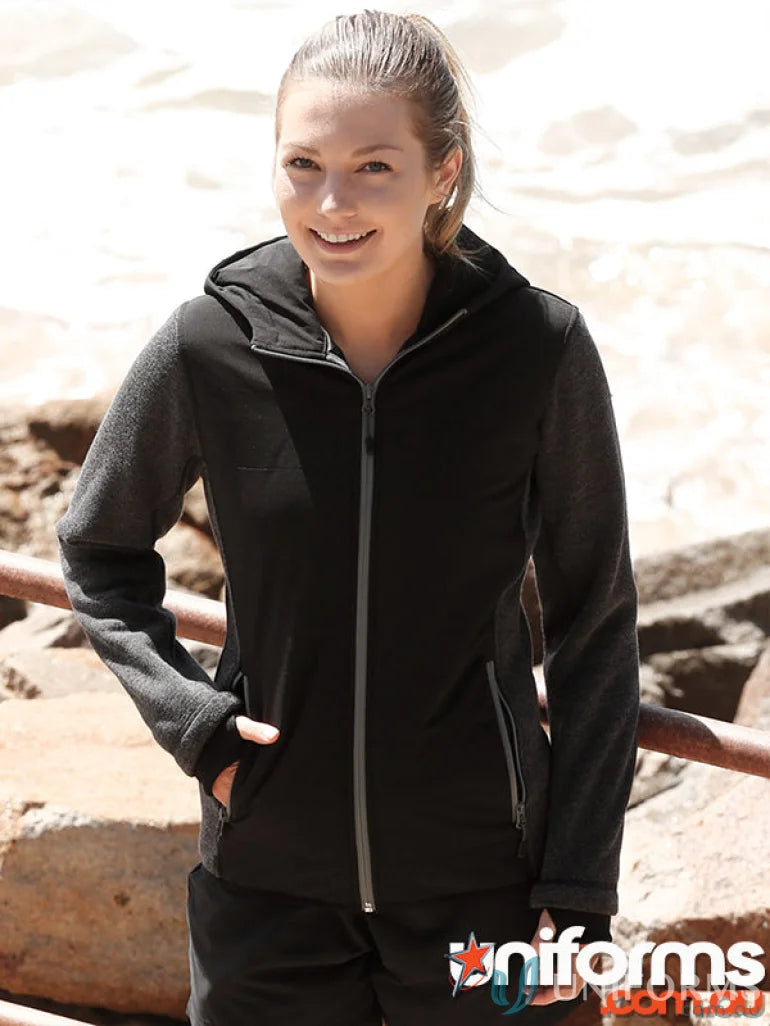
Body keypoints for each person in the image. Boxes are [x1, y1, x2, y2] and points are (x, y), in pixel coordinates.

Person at [55, 9, 641, 1026]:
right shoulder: (209, 345)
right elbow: (97, 549)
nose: (332, 203)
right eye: (303, 164)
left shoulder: (535, 349)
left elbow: (596, 621)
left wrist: (579, 890)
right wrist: (197, 729)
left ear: (442, 171)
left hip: (484, 889)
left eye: (374, 166)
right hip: (266, 889)